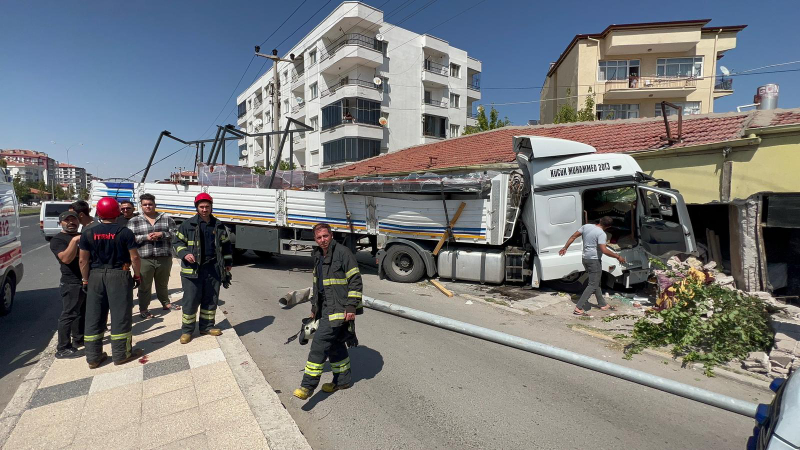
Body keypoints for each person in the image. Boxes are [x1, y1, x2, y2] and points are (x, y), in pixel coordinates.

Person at [293, 223, 363, 400]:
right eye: (319, 238)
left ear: (331, 235)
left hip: (339, 308)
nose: (322, 240)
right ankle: (343, 381)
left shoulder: (343, 253)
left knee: (319, 344)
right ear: (315, 240)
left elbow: (355, 280)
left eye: (325, 236)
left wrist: (351, 306)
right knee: (335, 344)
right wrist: (314, 309)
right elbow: (319, 286)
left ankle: (307, 386)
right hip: (325, 307)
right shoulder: (318, 255)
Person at [79, 197, 143, 368]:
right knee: (120, 315)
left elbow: (83, 261)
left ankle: (93, 357)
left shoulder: (88, 233)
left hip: (95, 276)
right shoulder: (125, 232)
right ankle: (121, 354)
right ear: (118, 212)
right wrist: (137, 276)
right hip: (119, 275)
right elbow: (135, 257)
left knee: (94, 315)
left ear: (98, 213)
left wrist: (85, 280)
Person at [172, 193, 232, 344]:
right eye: (201, 207)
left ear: (211, 207)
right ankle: (187, 331)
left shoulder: (218, 225)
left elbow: (226, 245)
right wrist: (185, 254)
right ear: (197, 207)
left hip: (213, 268)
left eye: (207, 206)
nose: (204, 209)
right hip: (193, 269)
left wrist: (227, 262)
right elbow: (177, 243)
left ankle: (207, 326)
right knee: (191, 300)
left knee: (211, 298)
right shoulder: (188, 225)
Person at [559, 216, 626, 316]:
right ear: (609, 227)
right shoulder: (601, 234)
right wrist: (618, 256)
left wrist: (565, 248)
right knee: (593, 284)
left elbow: (573, 236)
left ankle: (602, 304)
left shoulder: (586, 226)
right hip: (594, 260)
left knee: (596, 281)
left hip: (585, 258)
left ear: (600, 220)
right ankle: (578, 307)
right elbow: (604, 250)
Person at [127, 193, 179, 318]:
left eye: (150, 204)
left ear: (155, 205)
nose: (148, 207)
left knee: (163, 283)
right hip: (144, 258)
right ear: (141, 206)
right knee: (144, 285)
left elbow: (176, 233)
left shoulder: (166, 218)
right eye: (145, 205)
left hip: (164, 256)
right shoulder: (134, 221)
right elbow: (129, 238)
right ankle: (143, 308)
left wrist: (162, 234)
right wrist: (146, 237)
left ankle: (165, 303)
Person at [49, 211, 86, 359]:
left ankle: (79, 339)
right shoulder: (58, 240)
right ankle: (63, 348)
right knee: (69, 314)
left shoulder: (83, 235)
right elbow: (65, 259)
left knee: (81, 313)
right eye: (67, 220)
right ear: (60, 223)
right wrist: (74, 241)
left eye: (74, 220)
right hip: (71, 282)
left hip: (85, 280)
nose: (71, 222)